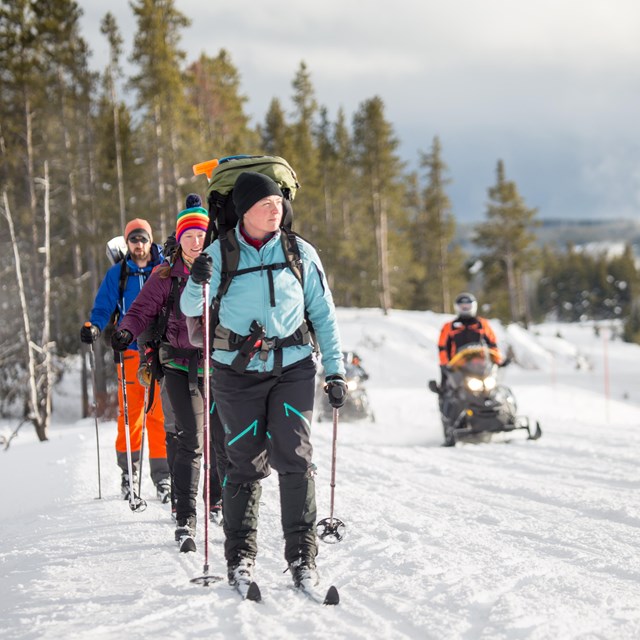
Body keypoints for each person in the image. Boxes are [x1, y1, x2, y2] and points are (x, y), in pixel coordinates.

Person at [180, 171, 347, 590]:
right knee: (244, 463)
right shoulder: (219, 254)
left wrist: (335, 370)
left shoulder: (299, 252)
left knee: (295, 457)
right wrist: (196, 277)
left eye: (278, 203)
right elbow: (189, 307)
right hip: (235, 372)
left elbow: (323, 314)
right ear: (244, 211)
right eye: (265, 204)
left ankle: (303, 558)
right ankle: (240, 557)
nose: (276, 210)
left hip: (292, 368)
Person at [110, 199, 228, 550]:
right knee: (191, 437)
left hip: (218, 366)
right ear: (180, 238)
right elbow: (140, 310)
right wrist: (126, 332)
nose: (196, 241)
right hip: (178, 365)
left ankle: (218, 500)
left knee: (222, 439)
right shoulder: (165, 275)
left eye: (202, 234)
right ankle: (185, 517)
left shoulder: (225, 268)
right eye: (190, 234)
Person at [80, 218, 170, 501]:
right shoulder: (118, 274)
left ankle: (163, 476)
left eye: (143, 239)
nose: (139, 245)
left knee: (159, 415)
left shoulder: (164, 267)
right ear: (127, 242)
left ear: (150, 240)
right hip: (130, 352)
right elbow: (104, 305)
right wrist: (94, 325)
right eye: (134, 240)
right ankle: (128, 473)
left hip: (159, 352)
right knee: (131, 416)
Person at [437, 292, 503, 388]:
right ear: (457, 307)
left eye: (467, 305)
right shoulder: (449, 326)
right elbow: (442, 347)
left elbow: (492, 343)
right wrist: (446, 364)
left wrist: (497, 359)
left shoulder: (482, 324)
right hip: (457, 366)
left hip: (480, 364)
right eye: (462, 306)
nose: (465, 308)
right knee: (447, 389)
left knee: (493, 387)